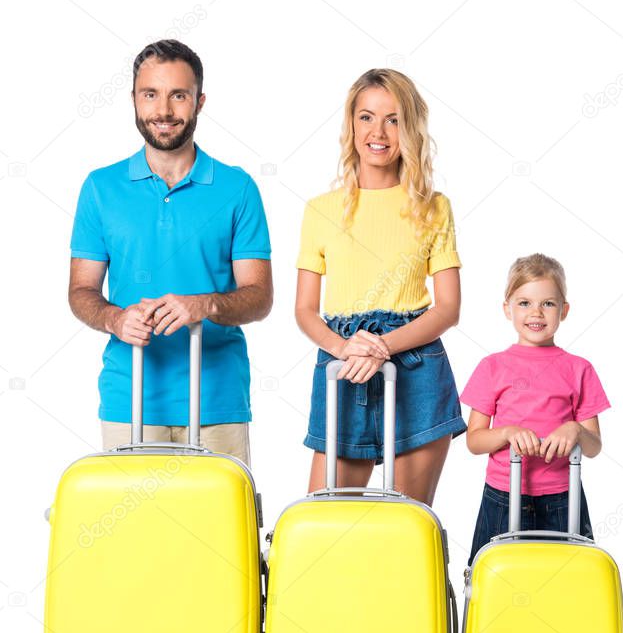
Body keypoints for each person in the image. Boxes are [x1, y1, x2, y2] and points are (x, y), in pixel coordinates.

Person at [68, 39, 272, 462]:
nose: (163, 110)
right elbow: (80, 291)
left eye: (178, 95)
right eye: (150, 94)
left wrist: (207, 304)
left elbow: (259, 297)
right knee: (137, 528)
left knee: (219, 527)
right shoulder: (101, 188)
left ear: (199, 102)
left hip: (217, 400)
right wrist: (115, 318)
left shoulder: (237, 189)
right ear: (134, 100)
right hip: (131, 397)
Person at [295, 68, 466, 504]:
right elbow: (305, 310)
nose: (379, 132)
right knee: (323, 521)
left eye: (393, 119)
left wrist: (382, 346)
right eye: (367, 117)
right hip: (343, 363)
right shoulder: (321, 210)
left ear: (409, 128)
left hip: (415, 366)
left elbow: (447, 308)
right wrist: (347, 348)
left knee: (407, 525)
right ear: (351, 125)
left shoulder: (433, 208)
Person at [461, 253, 610, 564]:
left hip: (562, 497)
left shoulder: (579, 369)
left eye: (549, 304)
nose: (537, 313)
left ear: (564, 310)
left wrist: (575, 429)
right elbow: (474, 441)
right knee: (494, 578)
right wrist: (507, 433)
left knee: (568, 580)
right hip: (502, 495)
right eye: (525, 303)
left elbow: (594, 446)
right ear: (508, 308)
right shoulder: (492, 367)